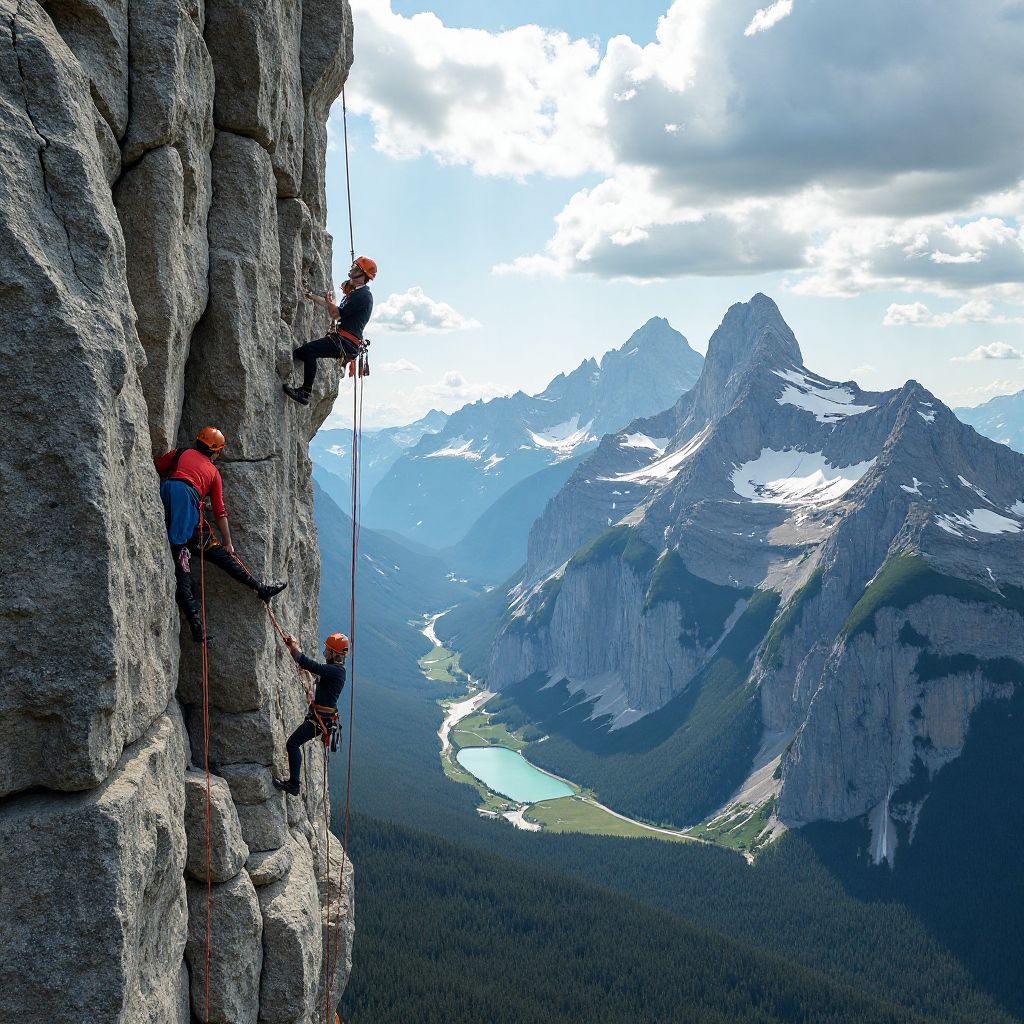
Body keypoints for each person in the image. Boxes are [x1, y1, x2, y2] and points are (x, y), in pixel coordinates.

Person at [155, 427, 287, 643]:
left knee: (191, 562)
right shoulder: (213, 473)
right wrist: (228, 542)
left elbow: (157, 466)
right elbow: (220, 511)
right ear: (216, 452)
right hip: (186, 514)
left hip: (168, 497)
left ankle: (200, 624)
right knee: (202, 562)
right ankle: (257, 589)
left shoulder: (179, 453)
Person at [283, 256, 377, 406]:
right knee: (301, 353)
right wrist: (312, 297)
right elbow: (333, 307)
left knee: (310, 350)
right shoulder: (356, 294)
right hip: (345, 341)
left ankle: (305, 392)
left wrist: (328, 302)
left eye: (355, 269)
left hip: (346, 342)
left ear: (362, 274)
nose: (351, 271)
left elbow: (336, 314)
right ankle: (302, 379)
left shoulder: (363, 295)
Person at [273, 631, 348, 795]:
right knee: (293, 743)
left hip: (320, 721)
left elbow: (308, 664)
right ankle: (294, 783)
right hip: (321, 719)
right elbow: (314, 672)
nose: (325, 652)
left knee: (292, 744)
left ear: (335, 654)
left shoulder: (336, 671)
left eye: (327, 650)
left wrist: (293, 647)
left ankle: (294, 784)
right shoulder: (335, 670)